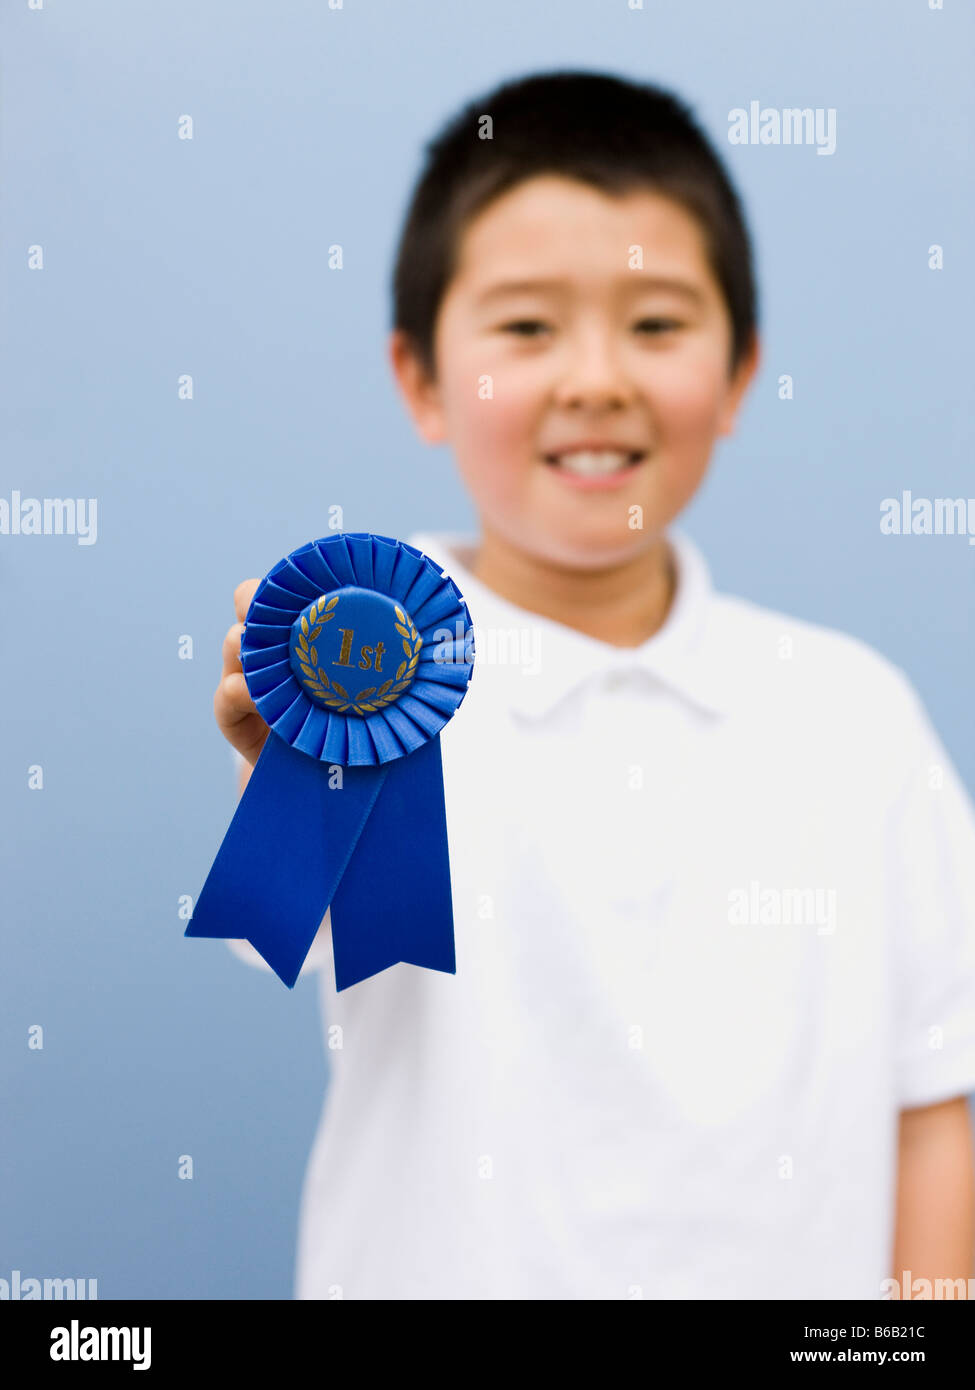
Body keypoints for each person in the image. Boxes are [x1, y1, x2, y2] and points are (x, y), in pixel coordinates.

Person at [213, 70, 975, 1300]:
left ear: (738, 374)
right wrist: (293, 765)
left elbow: (932, 1096)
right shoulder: (374, 682)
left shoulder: (855, 716)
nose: (595, 377)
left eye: (658, 324)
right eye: (525, 328)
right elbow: (282, 918)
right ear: (418, 379)